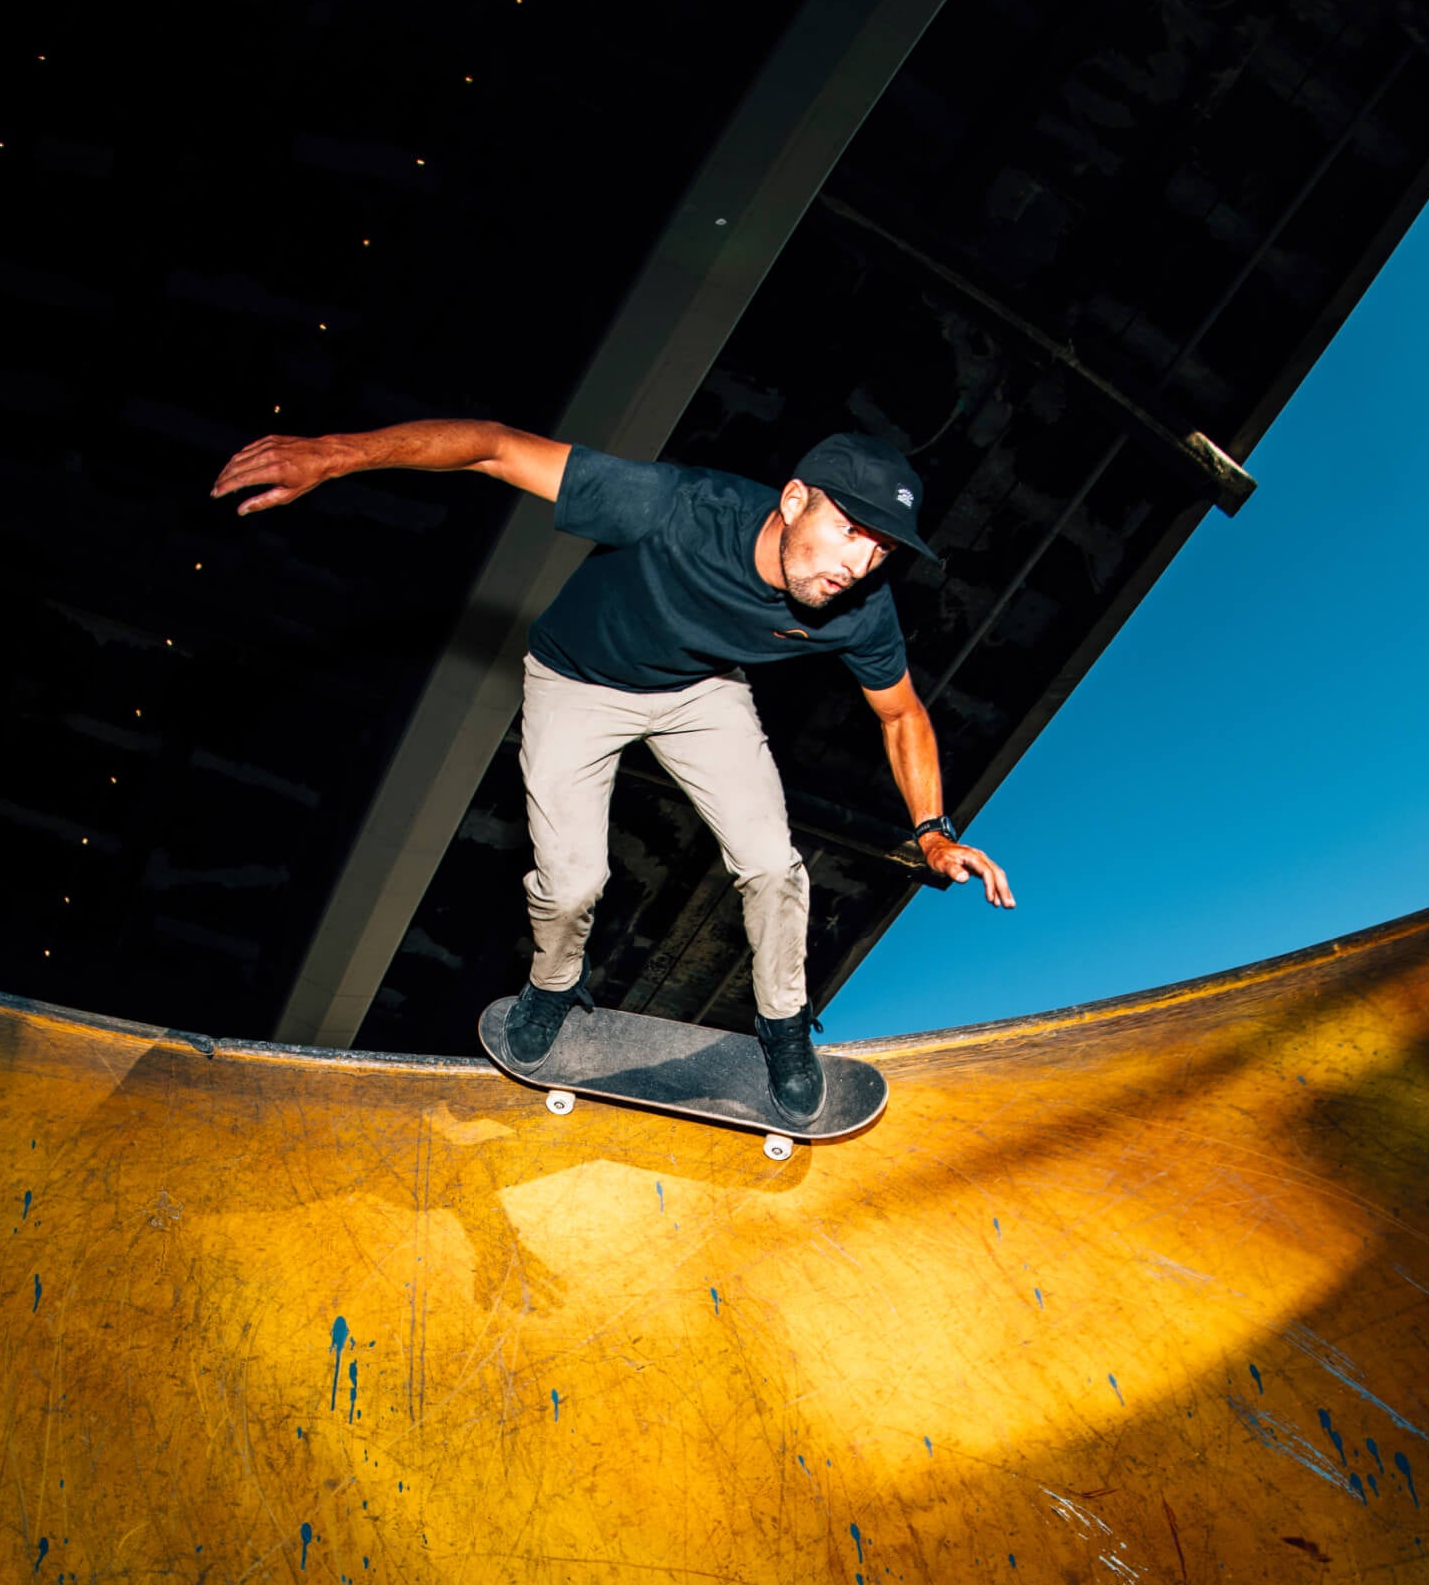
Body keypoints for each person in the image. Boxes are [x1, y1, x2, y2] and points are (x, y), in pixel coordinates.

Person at [210, 422, 1015, 1121]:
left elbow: (901, 714)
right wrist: (334, 454)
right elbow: (493, 448)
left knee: (773, 863)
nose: (858, 565)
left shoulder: (862, 611)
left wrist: (934, 834)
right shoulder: (670, 504)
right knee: (572, 883)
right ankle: (554, 986)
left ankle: (782, 1027)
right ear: (795, 498)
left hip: (700, 694)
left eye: (879, 550)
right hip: (576, 684)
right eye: (848, 532)